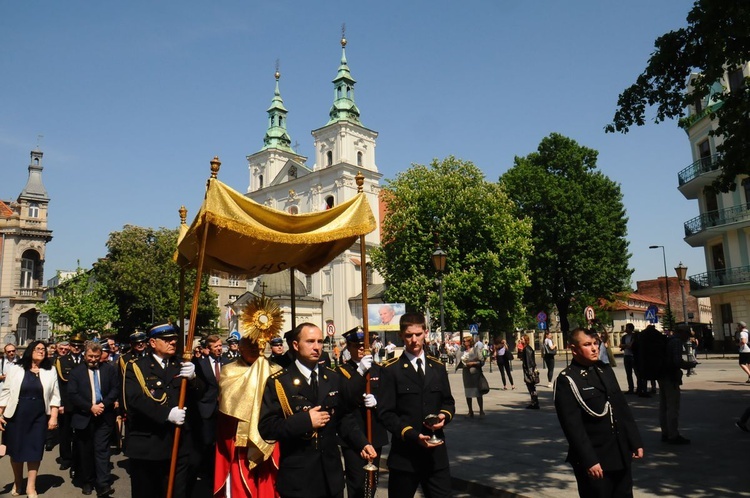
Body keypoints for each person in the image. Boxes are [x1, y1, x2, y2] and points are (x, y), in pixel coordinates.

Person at [259, 322, 376, 498]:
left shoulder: (332, 377)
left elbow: (343, 417)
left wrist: (362, 442)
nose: (316, 347)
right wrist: (306, 421)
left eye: (320, 341)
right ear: (296, 345)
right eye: (310, 341)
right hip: (299, 478)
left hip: (331, 477)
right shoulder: (280, 382)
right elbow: (267, 427)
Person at [554, 328, 644, 498]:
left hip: (619, 452)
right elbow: (573, 427)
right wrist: (590, 460)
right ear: (573, 349)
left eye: (595, 343)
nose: (594, 348)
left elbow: (621, 408)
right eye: (587, 344)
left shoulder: (604, 369)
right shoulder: (568, 380)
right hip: (596, 458)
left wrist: (635, 440)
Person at [378, 312, 455, 498]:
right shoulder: (391, 369)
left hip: (436, 457)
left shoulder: (437, 367)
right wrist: (412, 435)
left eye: (418, 334)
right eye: (409, 335)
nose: (414, 339)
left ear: (426, 333)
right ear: (401, 336)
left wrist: (443, 417)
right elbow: (386, 413)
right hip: (405, 457)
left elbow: (448, 402)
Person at [123, 323, 204, 498]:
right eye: (167, 340)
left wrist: (193, 379)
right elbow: (135, 400)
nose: (173, 342)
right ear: (152, 342)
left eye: (174, 339)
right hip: (148, 443)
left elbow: (202, 394)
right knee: (147, 493)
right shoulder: (136, 367)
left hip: (177, 443)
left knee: (177, 492)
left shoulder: (182, 364)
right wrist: (167, 414)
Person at [214, 337, 281, 498]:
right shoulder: (229, 370)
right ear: (240, 349)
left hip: (268, 437)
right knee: (241, 483)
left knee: (268, 481)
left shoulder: (276, 369)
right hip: (239, 438)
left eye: (258, 345)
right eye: (249, 346)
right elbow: (227, 401)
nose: (255, 349)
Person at [0, 340, 60, 498]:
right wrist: (0, 414)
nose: (42, 351)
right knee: (16, 451)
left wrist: (53, 417)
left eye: (44, 349)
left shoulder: (50, 370)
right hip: (17, 415)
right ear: (30, 351)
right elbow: (6, 392)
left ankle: (31, 487)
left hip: (39, 416)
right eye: (38, 349)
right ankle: (18, 482)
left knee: (35, 451)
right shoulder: (16, 369)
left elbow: (55, 396)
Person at [337, 327, 388, 498]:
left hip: (374, 432)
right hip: (353, 436)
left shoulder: (379, 370)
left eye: (364, 345)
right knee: (356, 483)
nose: (361, 349)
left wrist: (377, 402)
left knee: (372, 482)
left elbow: (390, 401)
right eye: (356, 345)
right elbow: (345, 399)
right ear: (349, 348)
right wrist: (360, 373)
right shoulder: (342, 372)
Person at [68, 341, 120, 497]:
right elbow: (72, 394)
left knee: (102, 450)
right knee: (86, 451)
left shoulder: (109, 370)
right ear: (85, 355)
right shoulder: (76, 372)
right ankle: (87, 481)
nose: (93, 359)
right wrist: (90, 407)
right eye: (90, 356)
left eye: (96, 357)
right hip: (84, 416)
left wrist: (103, 404)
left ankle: (103, 484)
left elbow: (115, 389)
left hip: (104, 416)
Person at [194, 334, 227, 477]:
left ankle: (220, 470)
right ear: (208, 348)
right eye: (216, 346)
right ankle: (206, 470)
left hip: (225, 409)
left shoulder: (229, 363)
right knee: (207, 442)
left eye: (220, 346)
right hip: (207, 408)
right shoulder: (201, 364)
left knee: (223, 441)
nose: (219, 349)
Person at [54, 332, 86, 476]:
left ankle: (78, 459)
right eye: (73, 345)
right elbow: (59, 385)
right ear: (70, 346)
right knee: (65, 433)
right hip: (66, 403)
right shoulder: (62, 361)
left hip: (82, 404)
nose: (76, 348)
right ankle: (66, 458)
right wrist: (59, 404)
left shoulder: (87, 360)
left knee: (80, 433)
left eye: (79, 346)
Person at [659, 325, 693, 445]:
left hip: (662, 375)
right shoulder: (677, 342)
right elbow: (677, 361)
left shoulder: (668, 340)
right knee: (673, 407)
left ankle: (665, 432)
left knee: (663, 406)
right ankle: (673, 435)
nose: (688, 337)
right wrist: (689, 365)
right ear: (682, 333)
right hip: (671, 377)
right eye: (687, 334)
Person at [457, 335, 485, 418]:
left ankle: (481, 410)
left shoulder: (476, 350)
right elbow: (458, 358)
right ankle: (470, 411)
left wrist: (473, 363)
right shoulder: (462, 350)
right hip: (466, 373)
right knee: (468, 392)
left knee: (478, 392)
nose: (463, 342)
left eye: (465, 341)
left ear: (469, 342)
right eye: (463, 341)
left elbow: (482, 361)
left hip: (475, 373)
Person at [520, 335, 539, 409]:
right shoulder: (529, 348)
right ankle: (534, 402)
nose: (520, 340)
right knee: (532, 387)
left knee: (531, 386)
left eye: (522, 339)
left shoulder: (526, 349)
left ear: (525, 340)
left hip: (529, 370)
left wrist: (528, 371)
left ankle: (534, 403)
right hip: (531, 369)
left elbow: (528, 361)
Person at [619, 324, 637, 394]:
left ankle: (639, 388)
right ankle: (631, 388)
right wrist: (626, 346)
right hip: (626, 356)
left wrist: (626, 346)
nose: (625, 329)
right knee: (628, 374)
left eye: (627, 328)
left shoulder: (634, 336)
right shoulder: (624, 337)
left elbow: (631, 346)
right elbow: (620, 345)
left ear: (630, 329)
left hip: (633, 356)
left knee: (637, 373)